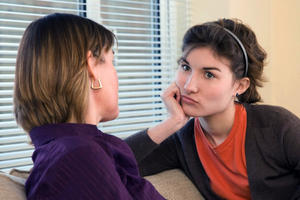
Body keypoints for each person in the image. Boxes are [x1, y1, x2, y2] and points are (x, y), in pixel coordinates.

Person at [126, 18, 300, 200]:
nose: (189, 85)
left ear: (239, 86)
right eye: (185, 67)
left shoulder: (279, 127)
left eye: (209, 74)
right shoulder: (182, 140)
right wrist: (172, 122)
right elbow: (107, 164)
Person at [14, 13, 165, 200]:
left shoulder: (73, 150)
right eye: (112, 61)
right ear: (92, 66)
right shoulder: (79, 156)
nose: (117, 76)